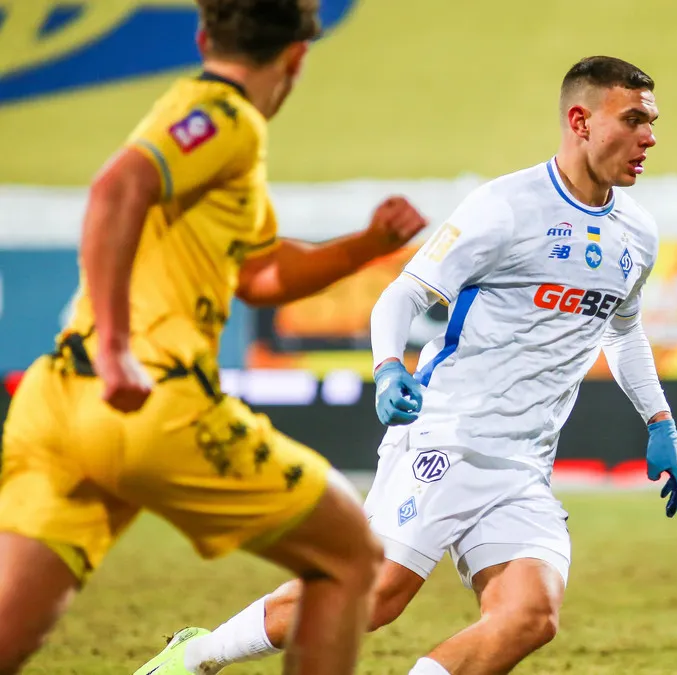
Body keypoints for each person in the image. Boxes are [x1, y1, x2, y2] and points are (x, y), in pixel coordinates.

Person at [139, 55, 677, 675]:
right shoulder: (505, 207)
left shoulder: (637, 234)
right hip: (446, 438)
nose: (649, 137)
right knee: (375, 598)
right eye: (634, 120)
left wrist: (660, 422)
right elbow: (403, 295)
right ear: (581, 121)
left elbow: (623, 330)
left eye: (652, 121)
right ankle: (195, 657)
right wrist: (388, 369)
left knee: (529, 616)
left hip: (523, 465)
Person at [0, 1, 431, 673]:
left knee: (9, 631)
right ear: (297, 57)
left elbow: (259, 274)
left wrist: (366, 245)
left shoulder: (208, 139)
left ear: (202, 36)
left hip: (59, 401)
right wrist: (116, 348)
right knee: (350, 558)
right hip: (151, 400)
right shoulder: (223, 116)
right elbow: (116, 187)